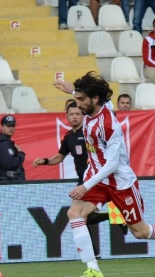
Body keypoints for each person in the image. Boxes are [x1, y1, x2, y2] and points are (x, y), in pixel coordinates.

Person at [54, 72, 155, 277]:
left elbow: (112, 163)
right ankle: (93, 270)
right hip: (97, 178)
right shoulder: (93, 108)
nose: (78, 105)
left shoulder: (107, 124)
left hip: (120, 182)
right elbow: (87, 98)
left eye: (81, 99)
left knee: (140, 232)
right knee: (74, 213)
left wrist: (84, 185)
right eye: (77, 99)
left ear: (95, 99)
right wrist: (72, 90)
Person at [33, 101, 113, 258]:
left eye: (78, 114)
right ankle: (97, 246)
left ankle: (93, 253)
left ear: (83, 115)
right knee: (80, 216)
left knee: (76, 214)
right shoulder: (69, 137)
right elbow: (59, 157)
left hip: (94, 179)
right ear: (67, 117)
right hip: (82, 181)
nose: (75, 117)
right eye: (72, 114)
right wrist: (45, 161)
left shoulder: (89, 132)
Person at [0, 115, 26, 181]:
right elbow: (11, 164)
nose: (11, 128)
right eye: (8, 126)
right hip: (8, 184)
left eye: (13, 126)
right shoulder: (3, 144)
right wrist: (20, 154)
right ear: (2, 127)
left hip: (10, 184)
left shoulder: (6, 142)